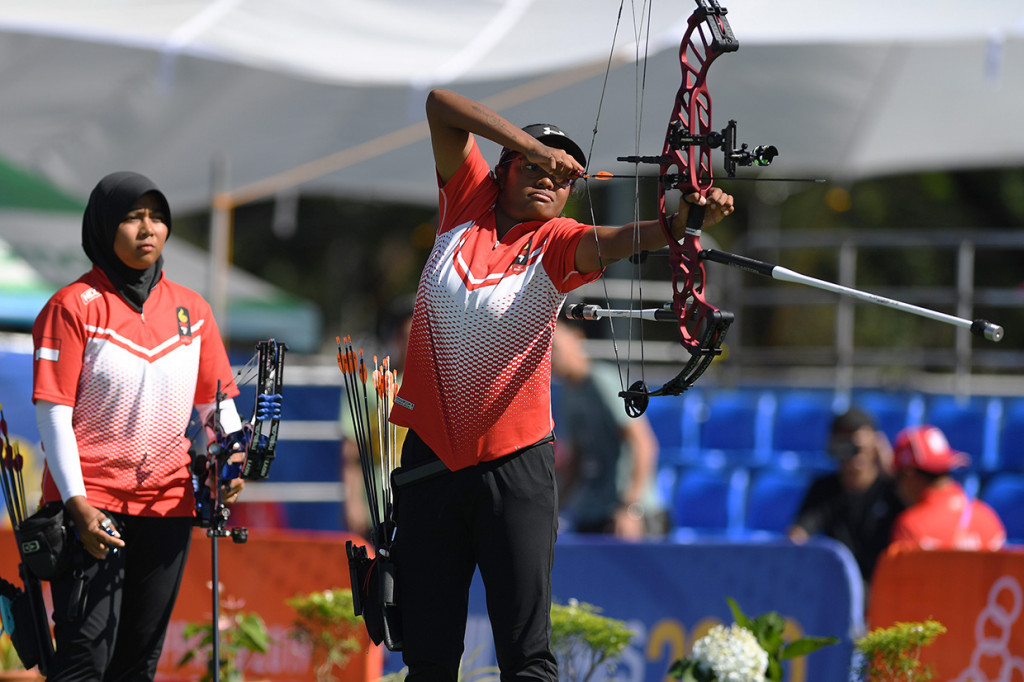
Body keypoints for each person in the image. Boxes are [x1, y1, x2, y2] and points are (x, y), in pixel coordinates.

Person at [387, 88, 734, 680]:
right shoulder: (465, 202)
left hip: (514, 468)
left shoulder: (559, 242)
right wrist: (527, 144)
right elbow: (439, 103)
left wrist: (680, 222)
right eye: (534, 166)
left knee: (527, 658)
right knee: (428, 659)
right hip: (429, 463)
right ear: (500, 173)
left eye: (561, 173)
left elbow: (624, 238)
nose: (549, 177)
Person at [31, 171, 247, 681]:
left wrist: (231, 455)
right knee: (84, 661)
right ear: (105, 227)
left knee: (138, 665)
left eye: (157, 217)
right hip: (90, 509)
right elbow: (52, 411)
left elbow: (216, 406)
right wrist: (77, 504)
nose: (147, 228)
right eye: (132, 217)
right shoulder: (71, 306)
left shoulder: (192, 309)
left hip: (169, 505)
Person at [550, 321, 666, 538]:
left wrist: (631, 509)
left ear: (577, 338)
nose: (551, 356)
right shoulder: (566, 393)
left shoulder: (603, 380)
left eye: (554, 346)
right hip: (594, 510)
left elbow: (643, 443)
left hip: (627, 512)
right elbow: (576, 458)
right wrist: (554, 507)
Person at [788, 408, 904, 586]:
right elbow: (799, 534)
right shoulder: (824, 489)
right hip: (840, 587)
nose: (853, 453)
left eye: (859, 446)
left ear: (876, 443)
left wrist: (891, 468)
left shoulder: (894, 489)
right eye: (845, 443)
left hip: (886, 585)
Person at [341, 301, 412, 538]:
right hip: (378, 507)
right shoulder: (372, 386)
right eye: (406, 336)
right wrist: (353, 501)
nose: (413, 344)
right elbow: (351, 451)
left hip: (418, 501)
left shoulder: (432, 387)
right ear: (395, 339)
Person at [888, 424, 1006, 552]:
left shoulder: (910, 526)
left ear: (908, 475)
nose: (898, 489)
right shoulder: (987, 517)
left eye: (897, 478)